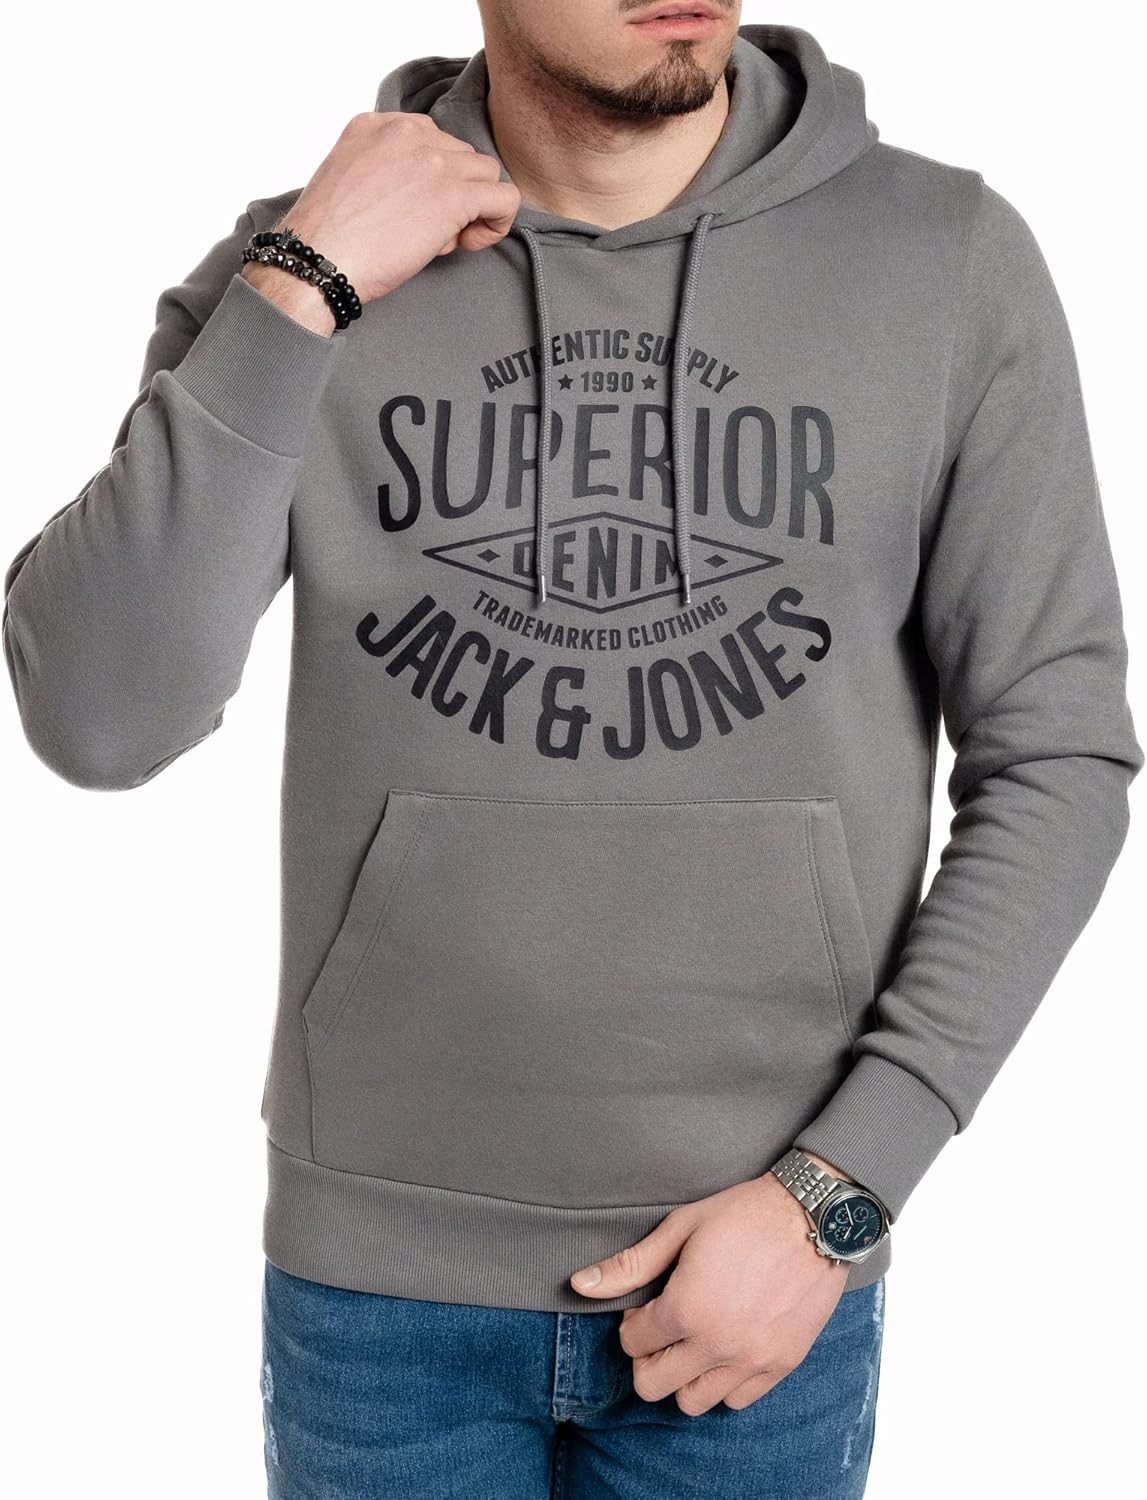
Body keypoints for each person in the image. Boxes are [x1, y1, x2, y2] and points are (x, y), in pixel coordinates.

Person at [4, 2, 1141, 1495]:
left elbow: (1059, 755)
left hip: (757, 1275)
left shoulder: (944, 260)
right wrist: (300, 285)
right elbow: (100, 717)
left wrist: (840, 1191)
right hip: (376, 1286)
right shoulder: (302, 268)